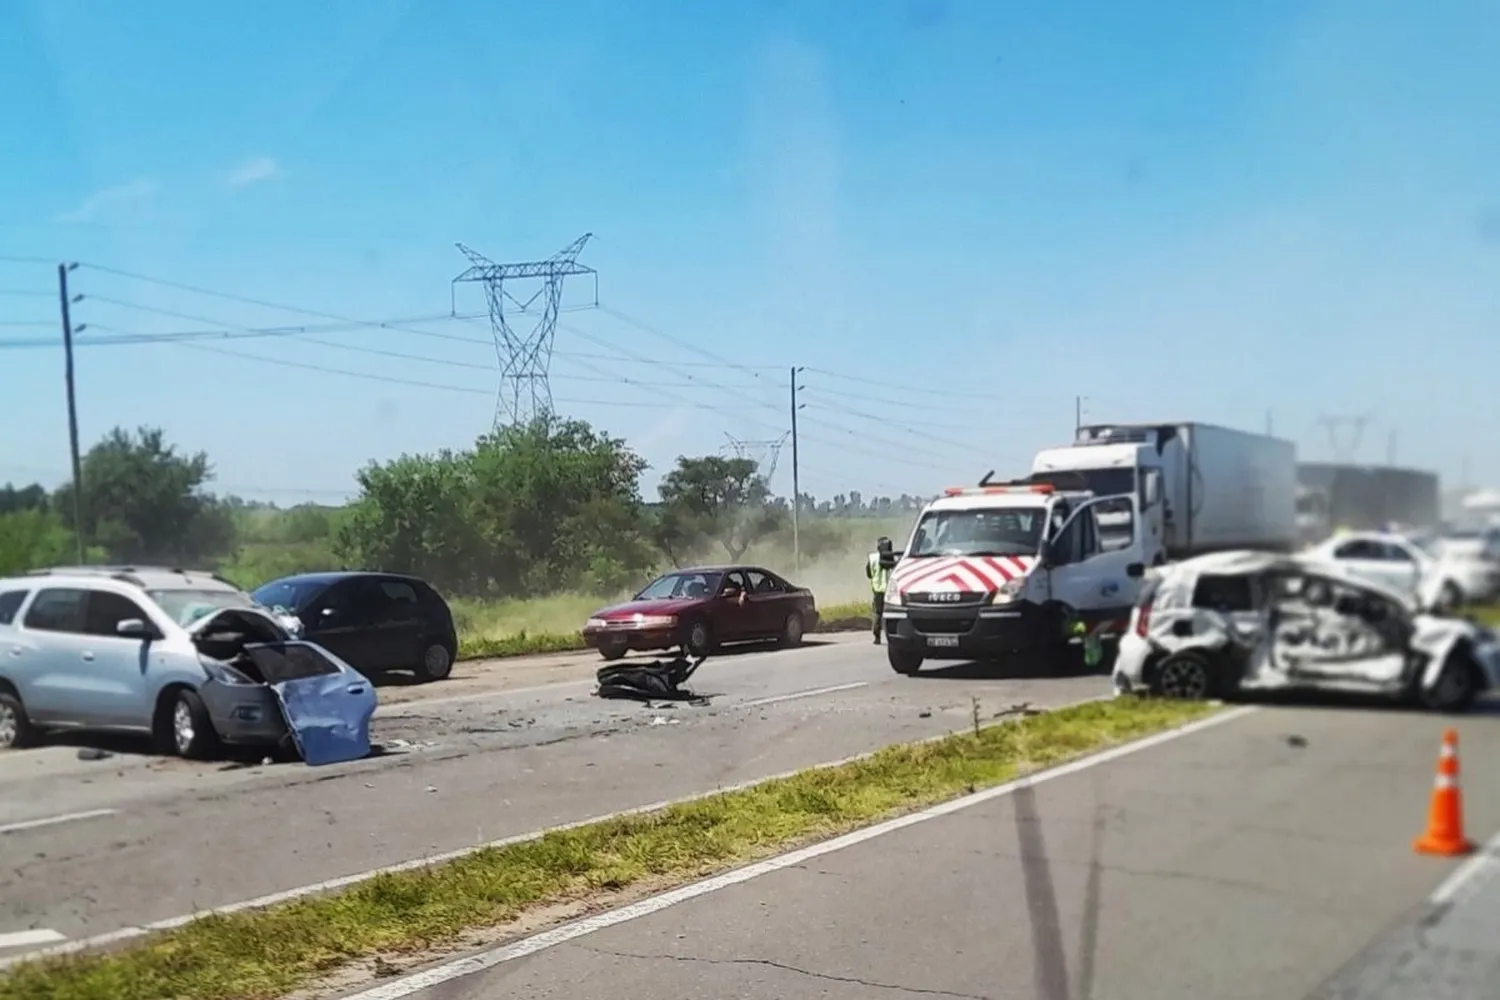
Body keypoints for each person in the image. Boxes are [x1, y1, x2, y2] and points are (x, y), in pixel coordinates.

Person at [866, 536, 895, 645]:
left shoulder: (872, 558)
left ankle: (877, 637)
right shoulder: (891, 558)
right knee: (890, 614)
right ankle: (892, 636)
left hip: (878, 591)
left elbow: (869, 574)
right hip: (889, 591)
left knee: (878, 613)